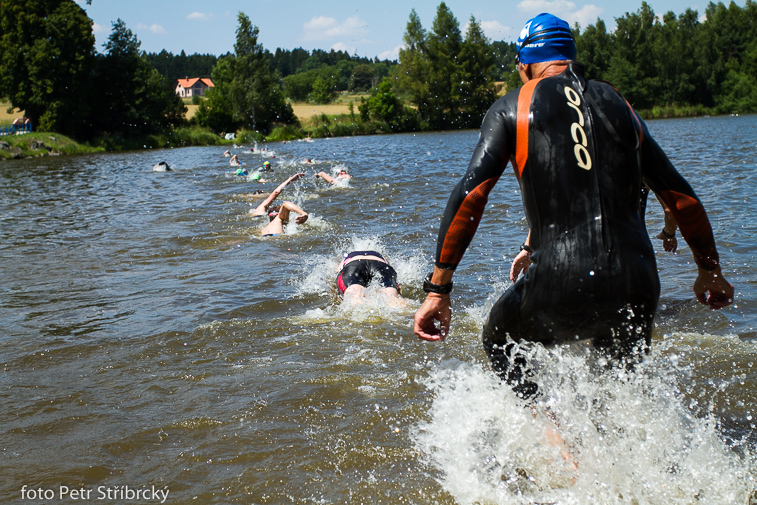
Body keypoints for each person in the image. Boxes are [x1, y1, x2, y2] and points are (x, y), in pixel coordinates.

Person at [414, 13, 733, 399]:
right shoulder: (619, 103)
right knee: (621, 396)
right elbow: (681, 198)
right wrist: (709, 271)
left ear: (524, 65)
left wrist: (438, 289)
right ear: (569, 56)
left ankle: (555, 448)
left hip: (560, 280)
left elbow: (471, 196)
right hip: (638, 282)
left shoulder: (513, 106)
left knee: (499, 340)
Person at [336, 251, 405, 307]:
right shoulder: (382, 258)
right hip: (380, 265)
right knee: (391, 297)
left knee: (355, 296)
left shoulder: (346, 259)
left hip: (354, 266)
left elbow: (337, 274)